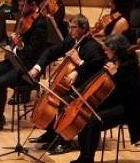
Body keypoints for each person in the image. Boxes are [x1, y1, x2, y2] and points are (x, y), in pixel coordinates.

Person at [69, 34, 140, 163]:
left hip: (129, 106)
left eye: (107, 50)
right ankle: (83, 154)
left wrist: (115, 74)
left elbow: (131, 90)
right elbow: (92, 66)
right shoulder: (112, 60)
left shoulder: (131, 66)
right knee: (84, 113)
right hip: (114, 102)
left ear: (116, 49)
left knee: (94, 121)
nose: (105, 52)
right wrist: (76, 72)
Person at [28, 15, 108, 150]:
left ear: (83, 28)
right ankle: (51, 134)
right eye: (70, 27)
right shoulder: (71, 40)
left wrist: (79, 62)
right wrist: (37, 68)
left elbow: (97, 68)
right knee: (54, 99)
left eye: (74, 27)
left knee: (62, 101)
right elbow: (50, 52)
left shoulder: (93, 46)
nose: (70, 31)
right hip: (71, 84)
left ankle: (64, 141)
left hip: (86, 86)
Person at [0, 0, 48, 130]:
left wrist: (20, 44)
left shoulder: (40, 24)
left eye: (23, 5)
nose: (20, 8)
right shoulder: (23, 18)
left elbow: (35, 52)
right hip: (12, 61)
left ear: (33, 4)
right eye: (19, 5)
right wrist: (10, 46)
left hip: (26, 66)